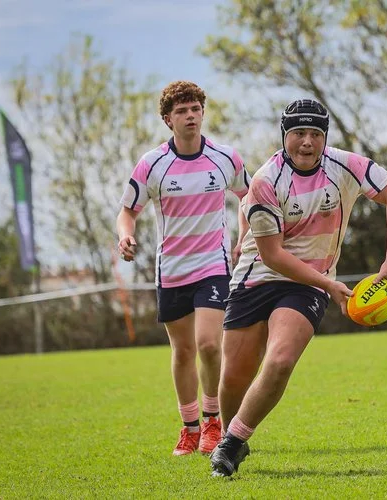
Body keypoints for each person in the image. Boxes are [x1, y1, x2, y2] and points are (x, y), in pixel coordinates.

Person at [209, 99, 387, 477]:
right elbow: (272, 255)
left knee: (281, 360)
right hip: (257, 276)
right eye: (298, 133)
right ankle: (229, 437)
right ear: (284, 136)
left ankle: (232, 442)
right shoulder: (265, 181)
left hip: (307, 286)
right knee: (235, 376)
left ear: (325, 137)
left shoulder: (347, 165)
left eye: (315, 134)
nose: (307, 142)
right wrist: (330, 284)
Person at [116, 81, 251, 456]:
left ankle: (212, 422)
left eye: (195, 109)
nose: (191, 116)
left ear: (203, 113)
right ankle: (189, 428)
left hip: (213, 264)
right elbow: (127, 210)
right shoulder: (152, 164)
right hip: (171, 270)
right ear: (167, 120)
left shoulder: (226, 157)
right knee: (183, 351)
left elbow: (249, 196)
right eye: (182, 111)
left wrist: (243, 237)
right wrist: (125, 236)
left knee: (209, 344)